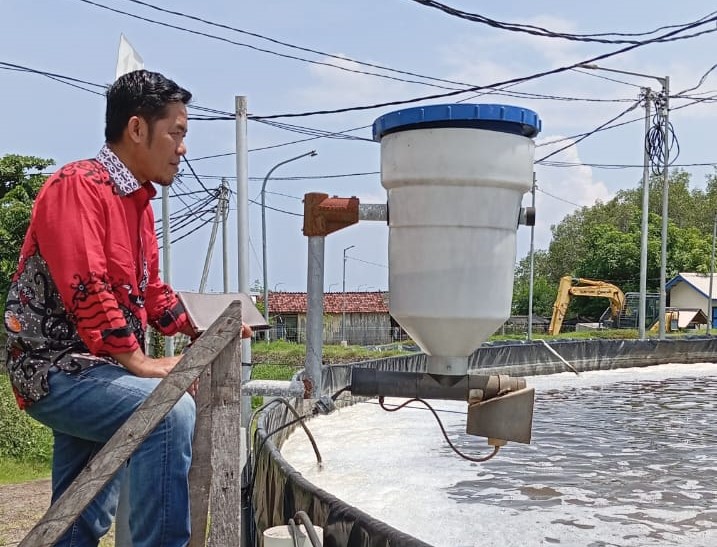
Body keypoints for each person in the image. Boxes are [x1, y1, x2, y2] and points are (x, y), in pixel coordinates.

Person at [2, 69, 250, 547]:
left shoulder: (137, 204)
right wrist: (138, 363)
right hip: (53, 367)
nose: (183, 147)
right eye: (176, 132)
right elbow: (87, 286)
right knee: (169, 411)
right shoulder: (77, 186)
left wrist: (212, 324)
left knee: (79, 517)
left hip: (97, 368)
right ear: (137, 129)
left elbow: (150, 293)